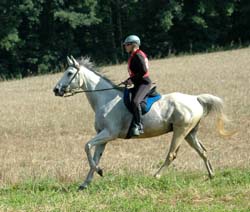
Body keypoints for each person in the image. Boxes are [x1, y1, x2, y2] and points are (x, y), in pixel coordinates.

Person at [123, 35, 152, 136]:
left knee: (135, 102)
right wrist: (130, 80)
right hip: (138, 82)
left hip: (144, 83)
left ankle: (139, 126)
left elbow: (144, 71)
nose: (125, 46)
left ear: (133, 45)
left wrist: (131, 79)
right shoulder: (134, 55)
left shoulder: (138, 55)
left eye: (127, 44)